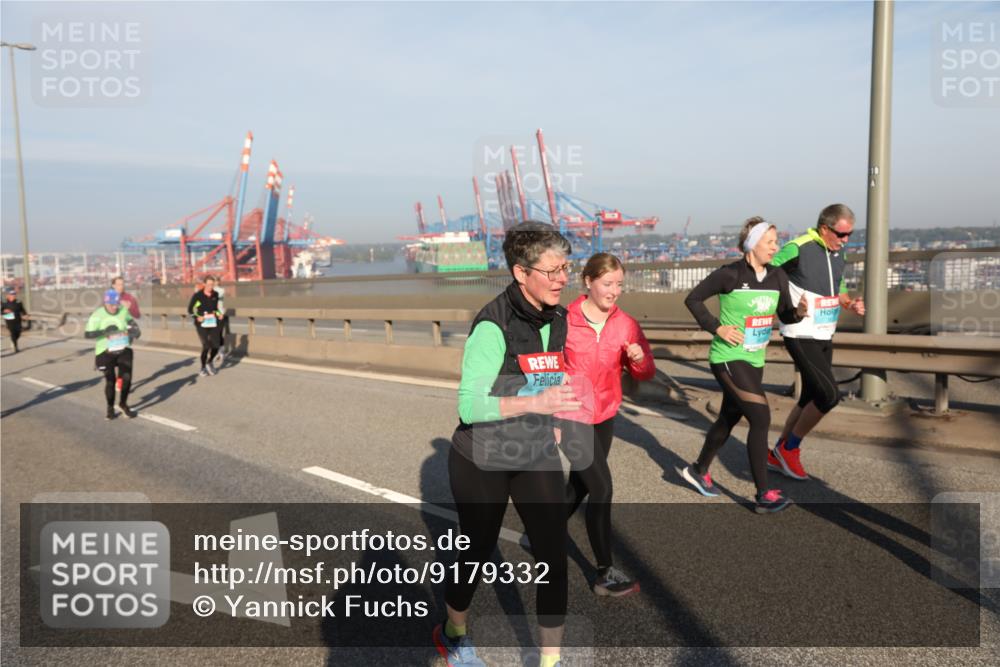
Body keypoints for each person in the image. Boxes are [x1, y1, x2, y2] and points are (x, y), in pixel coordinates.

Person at [435, 221, 581, 667]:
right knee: (477, 550)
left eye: (566, 268)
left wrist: (550, 414)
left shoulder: (558, 316)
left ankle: (549, 660)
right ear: (521, 273)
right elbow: (469, 406)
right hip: (482, 454)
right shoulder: (491, 326)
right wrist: (535, 401)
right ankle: (453, 632)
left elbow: (544, 372)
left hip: (533, 448)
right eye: (553, 270)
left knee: (553, 554)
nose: (562, 279)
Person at [680, 217, 807, 513]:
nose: (776, 247)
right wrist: (717, 328)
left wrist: (798, 313)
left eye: (776, 242)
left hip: (754, 360)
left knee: (728, 419)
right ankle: (763, 494)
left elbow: (785, 315)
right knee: (760, 417)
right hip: (727, 358)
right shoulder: (730, 275)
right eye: (771, 242)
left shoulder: (777, 277)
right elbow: (694, 299)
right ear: (753, 243)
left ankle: (698, 470)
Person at [558, 252, 655, 597]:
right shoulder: (563, 320)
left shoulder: (625, 324)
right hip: (571, 414)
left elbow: (645, 371)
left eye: (619, 285)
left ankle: (545, 530)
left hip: (605, 414)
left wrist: (640, 361)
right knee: (601, 488)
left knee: (581, 486)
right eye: (607, 283)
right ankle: (604, 573)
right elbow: (546, 367)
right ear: (588, 282)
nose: (614, 291)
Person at [767, 204, 866, 480]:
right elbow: (765, 274)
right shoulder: (798, 247)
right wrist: (784, 304)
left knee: (811, 395)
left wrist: (849, 303)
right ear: (825, 228)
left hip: (824, 332)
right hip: (800, 332)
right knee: (829, 395)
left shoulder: (838, 252)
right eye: (842, 234)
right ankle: (790, 449)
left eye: (850, 234)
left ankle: (777, 453)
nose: (846, 240)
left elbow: (839, 284)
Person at [84, 289, 141, 420]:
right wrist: (104, 331)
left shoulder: (123, 311)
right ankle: (110, 408)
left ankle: (123, 404)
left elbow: (131, 323)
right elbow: (88, 334)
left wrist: (136, 330)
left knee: (126, 378)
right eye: (112, 305)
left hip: (122, 348)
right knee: (111, 381)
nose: (115, 307)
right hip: (105, 351)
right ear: (106, 303)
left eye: (116, 304)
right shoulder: (98, 315)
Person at [187, 275, 224, 377]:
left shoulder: (215, 294)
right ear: (204, 284)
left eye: (212, 285)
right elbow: (190, 310)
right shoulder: (198, 296)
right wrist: (197, 317)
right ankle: (203, 368)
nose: (210, 287)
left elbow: (215, 308)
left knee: (216, 346)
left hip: (213, 322)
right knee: (206, 346)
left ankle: (210, 362)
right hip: (201, 324)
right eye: (208, 285)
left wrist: (219, 314)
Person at [2, 288, 28, 353]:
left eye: (14, 294)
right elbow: (1, 311)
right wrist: (4, 311)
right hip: (9, 318)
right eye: (11, 294)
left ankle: (13, 341)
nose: (13, 295)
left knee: (18, 332)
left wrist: (25, 315)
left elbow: (22, 310)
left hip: (17, 318)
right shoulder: (4, 302)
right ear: (8, 295)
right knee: (12, 331)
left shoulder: (18, 302)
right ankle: (15, 347)